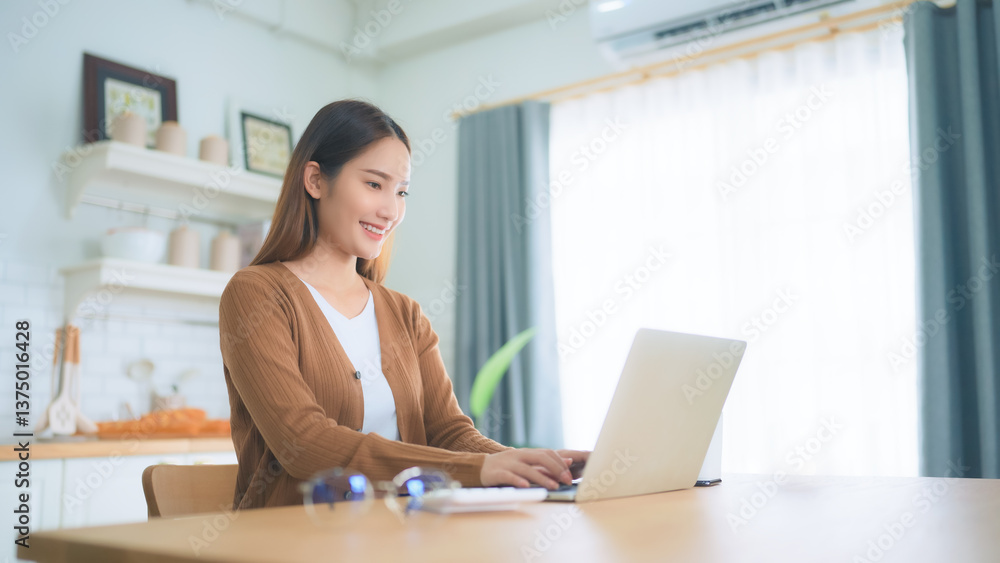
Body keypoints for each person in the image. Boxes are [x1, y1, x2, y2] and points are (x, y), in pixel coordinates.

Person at [220, 99, 588, 510]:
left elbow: (449, 433)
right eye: (374, 184)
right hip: (292, 542)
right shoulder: (256, 293)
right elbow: (303, 444)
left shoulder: (404, 313)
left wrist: (527, 464)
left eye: (401, 191)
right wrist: (475, 471)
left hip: (401, 536)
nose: (391, 210)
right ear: (315, 180)